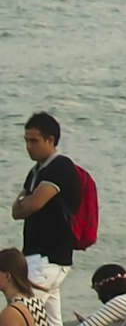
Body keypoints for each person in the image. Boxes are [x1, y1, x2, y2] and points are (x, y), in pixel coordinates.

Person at [14, 112, 82, 269]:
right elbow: (15, 212)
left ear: (50, 140)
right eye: (26, 141)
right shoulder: (35, 172)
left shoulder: (60, 166)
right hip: (35, 255)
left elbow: (34, 204)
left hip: (50, 257)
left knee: (27, 294)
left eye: (34, 141)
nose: (29, 147)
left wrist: (27, 202)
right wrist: (27, 203)